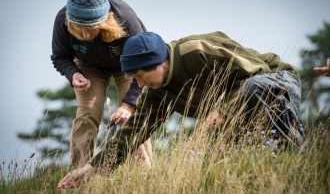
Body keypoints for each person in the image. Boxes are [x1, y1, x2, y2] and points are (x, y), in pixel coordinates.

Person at [57, 31, 304, 191]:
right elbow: (132, 132)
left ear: (159, 62)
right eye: (136, 80)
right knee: (229, 173)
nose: (140, 85)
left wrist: (224, 108)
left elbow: (258, 72)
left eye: (142, 76)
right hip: (240, 109)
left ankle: (302, 164)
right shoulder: (157, 92)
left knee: (285, 150)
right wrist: (91, 167)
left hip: (277, 83)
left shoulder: (197, 51)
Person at [51, 0, 152, 167]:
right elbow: (60, 57)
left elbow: (145, 63)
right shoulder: (62, 19)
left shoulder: (125, 18)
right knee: (87, 115)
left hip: (130, 65)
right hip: (88, 67)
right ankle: (78, 175)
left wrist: (128, 105)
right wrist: (73, 74)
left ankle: (142, 174)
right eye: (79, 29)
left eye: (91, 28)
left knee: (132, 116)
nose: (86, 35)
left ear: (105, 20)